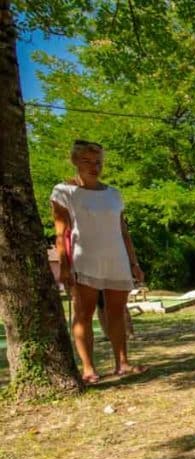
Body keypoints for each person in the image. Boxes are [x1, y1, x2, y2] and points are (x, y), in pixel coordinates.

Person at [52, 139, 146, 384]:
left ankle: (122, 363)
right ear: (74, 161)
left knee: (117, 313)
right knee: (84, 314)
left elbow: (123, 230)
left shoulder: (114, 194)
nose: (94, 167)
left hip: (116, 259)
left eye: (98, 162)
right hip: (85, 259)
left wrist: (134, 262)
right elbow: (61, 232)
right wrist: (64, 265)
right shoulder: (64, 192)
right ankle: (88, 368)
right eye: (87, 161)